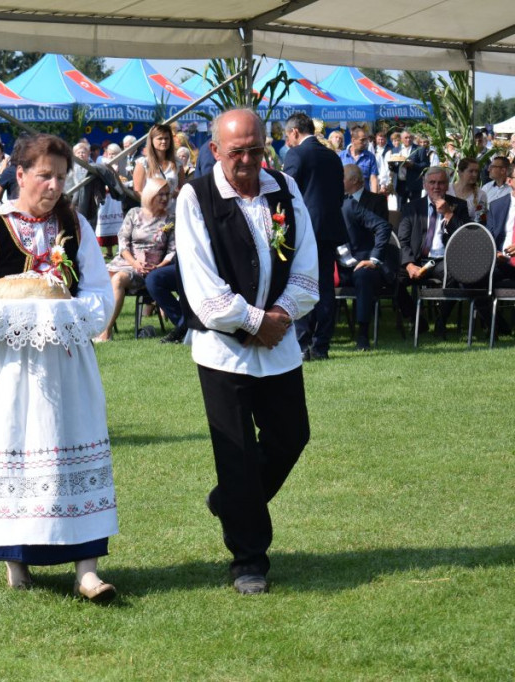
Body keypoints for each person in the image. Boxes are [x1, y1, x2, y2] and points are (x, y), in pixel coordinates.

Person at [0, 133, 119, 603]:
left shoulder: (76, 225)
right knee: (13, 449)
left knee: (72, 449)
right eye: (45, 175)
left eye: (61, 177)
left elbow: (101, 296)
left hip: (65, 363)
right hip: (5, 363)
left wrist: (65, 314)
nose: (53, 186)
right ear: (19, 175)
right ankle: (16, 562)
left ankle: (87, 568)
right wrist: (27, 314)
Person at [175, 108, 318, 595]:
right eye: (238, 152)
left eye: (257, 150)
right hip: (224, 351)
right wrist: (255, 321)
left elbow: (307, 268)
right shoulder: (196, 196)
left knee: (291, 435)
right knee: (234, 451)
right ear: (215, 150)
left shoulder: (284, 187)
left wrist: (279, 316)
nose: (249, 161)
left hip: (278, 343)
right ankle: (249, 560)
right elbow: (204, 289)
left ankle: (231, 502)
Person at [283, 112, 348, 360]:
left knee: (302, 284)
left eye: (288, 135)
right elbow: (340, 195)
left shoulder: (296, 154)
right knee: (325, 289)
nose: (287, 141)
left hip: (305, 231)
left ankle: (303, 343)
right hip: (330, 229)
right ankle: (322, 345)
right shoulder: (333, 156)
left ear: (295, 132)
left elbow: (287, 194)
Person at [95, 177, 176, 342]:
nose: (165, 198)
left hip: (149, 270)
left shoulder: (170, 219)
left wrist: (158, 267)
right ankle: (91, 326)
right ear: (150, 194)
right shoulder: (134, 214)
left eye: (167, 194)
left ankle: (106, 332)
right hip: (126, 262)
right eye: (161, 194)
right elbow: (123, 243)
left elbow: (172, 251)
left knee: (118, 280)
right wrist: (134, 263)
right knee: (94, 277)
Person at [398, 166, 472, 338]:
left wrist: (448, 213)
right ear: (425, 185)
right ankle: (416, 318)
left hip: (444, 259)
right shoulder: (412, 208)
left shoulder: (459, 206)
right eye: (432, 183)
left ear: (447, 186)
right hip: (417, 259)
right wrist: (408, 265)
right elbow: (403, 240)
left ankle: (441, 320)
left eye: (441, 183)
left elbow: (465, 237)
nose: (436, 187)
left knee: (454, 272)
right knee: (392, 276)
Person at [340, 165, 393, 350]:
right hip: (337, 264)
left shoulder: (351, 205)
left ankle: (363, 334)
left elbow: (383, 227)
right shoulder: (329, 204)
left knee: (363, 276)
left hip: (362, 262)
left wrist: (374, 259)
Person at [133, 123, 182, 199]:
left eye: (166, 138)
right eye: (160, 138)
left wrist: (176, 193)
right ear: (152, 140)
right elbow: (137, 191)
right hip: (153, 209)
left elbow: (183, 189)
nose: (164, 141)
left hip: (174, 208)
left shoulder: (177, 163)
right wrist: (154, 201)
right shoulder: (143, 163)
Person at [339, 125, 380, 193]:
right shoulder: (341, 156)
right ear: (353, 140)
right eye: (362, 140)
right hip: (344, 198)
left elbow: (373, 179)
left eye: (366, 140)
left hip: (364, 198)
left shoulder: (370, 157)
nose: (365, 142)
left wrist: (374, 199)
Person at [449, 158, 489, 224]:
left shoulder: (481, 195)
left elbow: (481, 221)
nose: (475, 175)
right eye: (471, 171)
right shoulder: (447, 189)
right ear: (460, 172)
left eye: (476, 171)